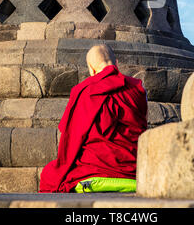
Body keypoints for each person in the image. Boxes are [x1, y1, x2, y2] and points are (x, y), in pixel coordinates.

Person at [39, 44, 148, 193]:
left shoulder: (84, 90)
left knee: (49, 174)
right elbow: (143, 129)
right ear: (116, 64)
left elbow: (72, 139)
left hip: (94, 169)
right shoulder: (138, 88)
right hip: (133, 170)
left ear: (91, 68)